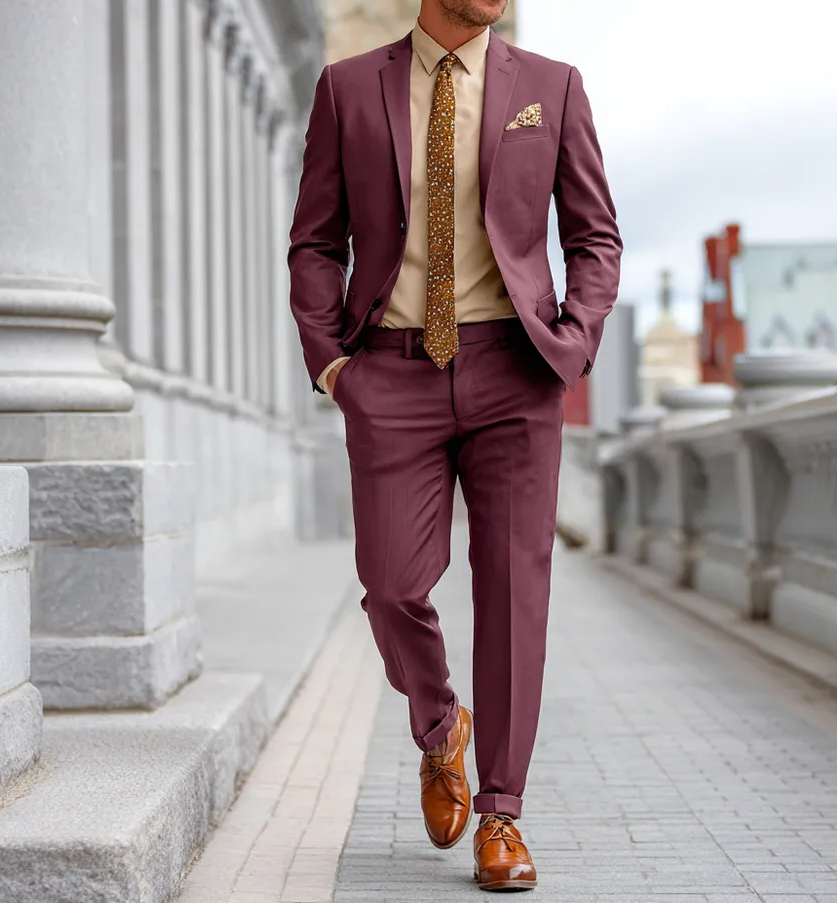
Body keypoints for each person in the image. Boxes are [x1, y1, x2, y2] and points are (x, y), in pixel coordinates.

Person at [287, 0, 621, 890]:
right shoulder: (348, 89)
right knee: (392, 585)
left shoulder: (550, 88)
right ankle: (441, 726)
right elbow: (316, 240)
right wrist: (333, 366)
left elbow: (594, 236)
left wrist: (575, 340)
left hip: (516, 369)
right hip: (390, 370)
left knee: (514, 590)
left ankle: (502, 816)